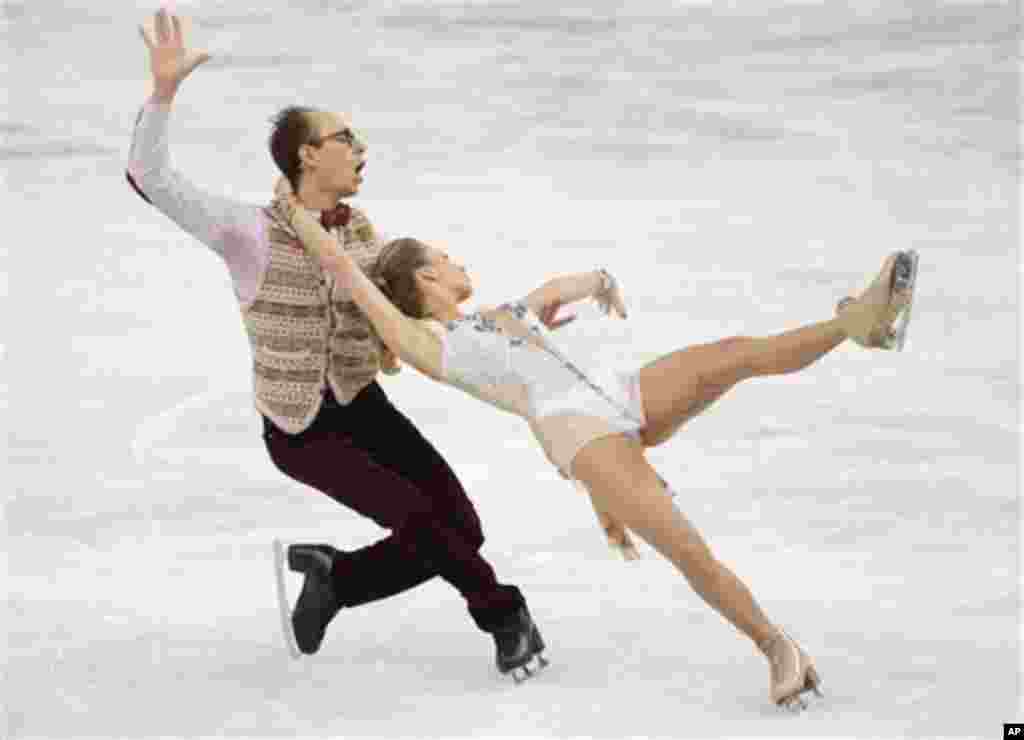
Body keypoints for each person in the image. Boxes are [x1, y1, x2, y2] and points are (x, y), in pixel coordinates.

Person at [275, 191, 920, 711]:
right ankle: (778, 649)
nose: (455, 259)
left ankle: (855, 323)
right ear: (426, 275)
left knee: (740, 354)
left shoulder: (492, 318)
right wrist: (302, 218)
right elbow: (348, 278)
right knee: (688, 548)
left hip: (624, 396)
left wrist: (597, 280)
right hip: (582, 435)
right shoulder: (431, 345)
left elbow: (548, 294)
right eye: (444, 255)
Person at [127, 8, 550, 681]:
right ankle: (505, 615)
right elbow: (152, 180)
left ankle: (337, 579)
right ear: (306, 155)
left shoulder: (365, 239)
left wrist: (522, 326)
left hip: (363, 408)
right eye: (343, 137)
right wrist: (163, 94)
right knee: (424, 522)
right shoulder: (247, 232)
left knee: (459, 529)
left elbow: (429, 304)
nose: (359, 147)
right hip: (301, 428)